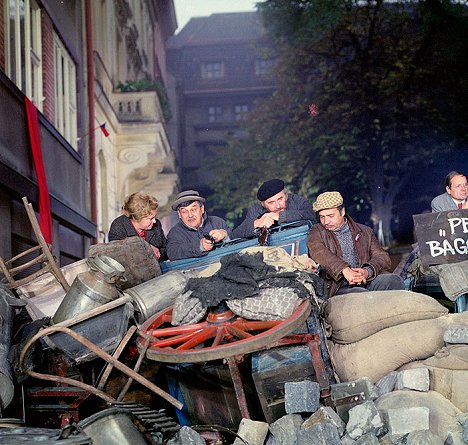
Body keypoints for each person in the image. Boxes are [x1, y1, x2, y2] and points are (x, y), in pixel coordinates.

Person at [307, 191, 404, 298]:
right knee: (361, 295)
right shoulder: (317, 231)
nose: (326, 221)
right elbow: (319, 252)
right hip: (339, 287)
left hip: (366, 280)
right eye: (322, 217)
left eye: (330, 216)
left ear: (342, 212)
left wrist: (366, 272)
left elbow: (382, 257)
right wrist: (344, 270)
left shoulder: (365, 231)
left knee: (394, 280)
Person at [232, 179, 315, 239]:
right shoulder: (256, 209)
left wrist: (281, 217)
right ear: (263, 204)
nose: (278, 206)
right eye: (271, 202)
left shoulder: (296, 200)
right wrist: (256, 223)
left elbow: (313, 216)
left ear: (285, 195)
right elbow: (235, 235)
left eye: (280, 199)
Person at [166, 190, 231, 261]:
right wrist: (200, 246)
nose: (190, 215)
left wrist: (225, 235)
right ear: (179, 214)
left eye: (193, 209)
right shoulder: (175, 233)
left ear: (202, 209)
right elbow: (172, 253)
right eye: (184, 211)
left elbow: (236, 239)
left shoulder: (217, 222)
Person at [108, 192, 167, 260]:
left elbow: (166, 250)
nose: (154, 221)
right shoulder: (119, 226)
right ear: (138, 217)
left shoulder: (157, 225)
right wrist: (148, 249)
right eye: (150, 218)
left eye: (154, 217)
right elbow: (117, 254)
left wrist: (158, 253)